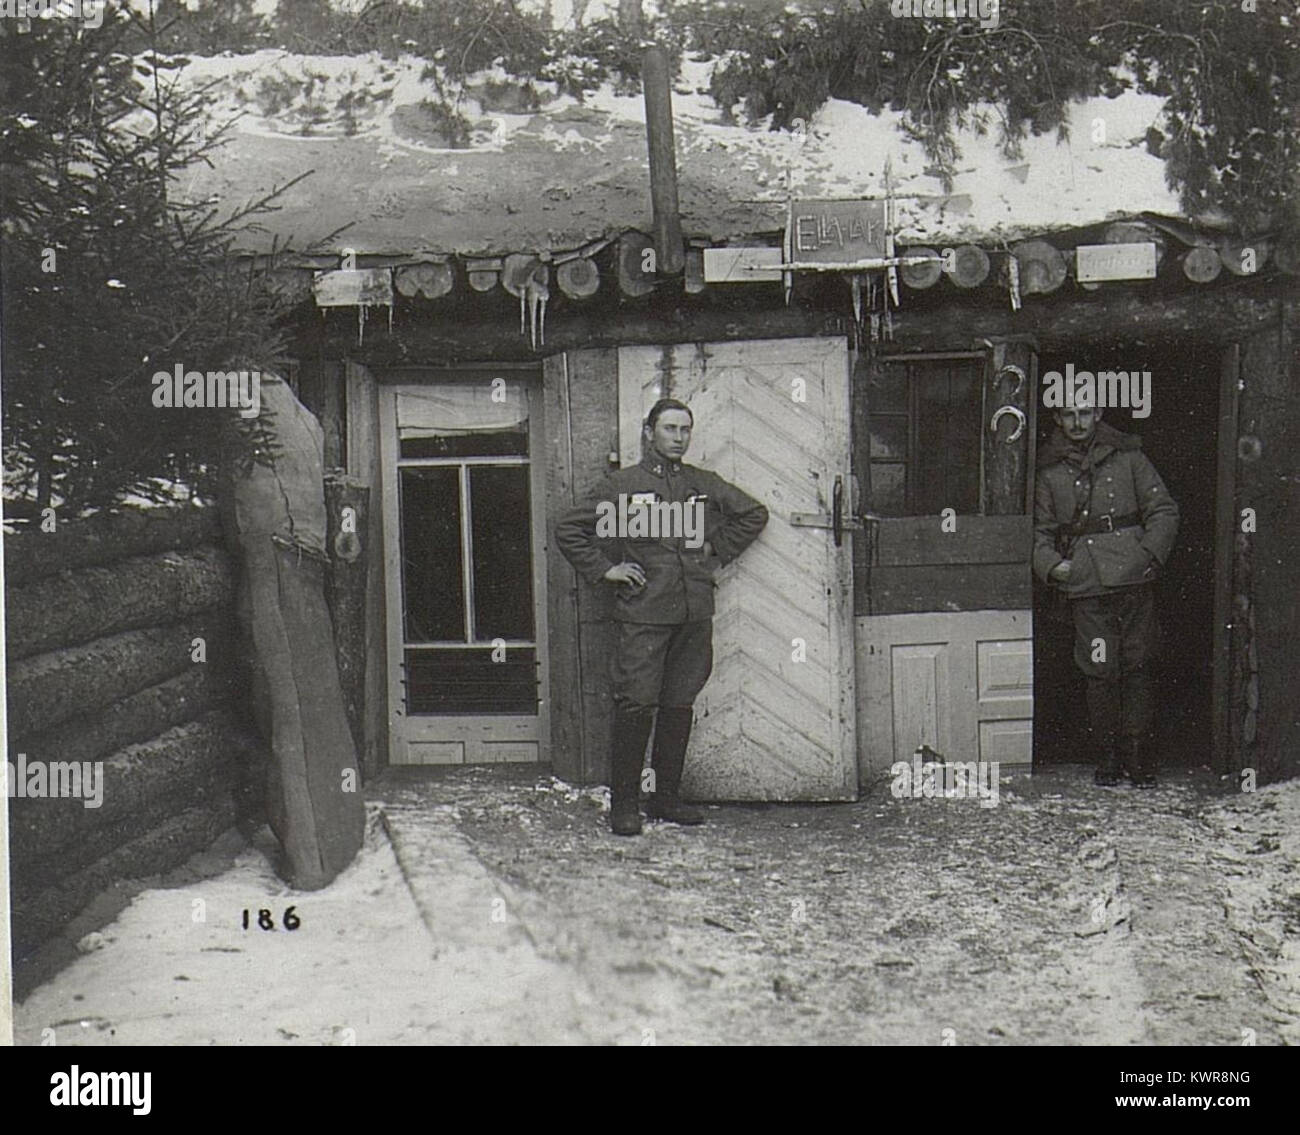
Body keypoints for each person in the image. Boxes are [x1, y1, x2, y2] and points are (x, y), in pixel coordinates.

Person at [555, 398, 768, 835]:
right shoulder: (621, 486)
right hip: (644, 615)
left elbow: (753, 513)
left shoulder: (702, 484)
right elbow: (568, 529)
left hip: (693, 613)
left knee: (679, 702)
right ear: (649, 433)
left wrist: (715, 549)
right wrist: (606, 569)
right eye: (669, 429)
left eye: (685, 429)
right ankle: (625, 805)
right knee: (636, 704)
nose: (678, 437)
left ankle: (666, 798)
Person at [1033, 401, 1179, 787]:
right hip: (1087, 586)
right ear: (1057, 419)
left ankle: (1137, 755)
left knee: (1138, 663)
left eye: (1085, 412)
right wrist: (1051, 565)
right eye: (1068, 414)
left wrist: (1149, 556)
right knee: (1100, 670)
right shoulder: (1048, 471)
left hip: (1133, 581)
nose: (1077, 422)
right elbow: (1039, 532)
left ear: (1098, 414)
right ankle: (1108, 755)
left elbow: (1163, 510)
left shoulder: (1129, 458)